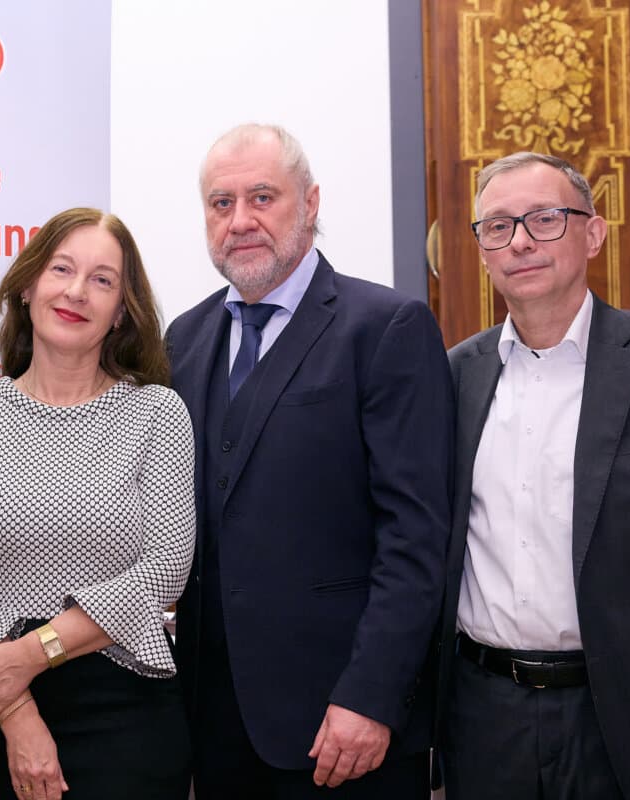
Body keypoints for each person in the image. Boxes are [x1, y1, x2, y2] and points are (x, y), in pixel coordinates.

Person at [435, 151, 630, 800]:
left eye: (545, 219)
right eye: (497, 226)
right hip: (485, 717)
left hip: (629, 716)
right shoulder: (452, 376)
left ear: (594, 232)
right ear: (480, 250)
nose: (520, 241)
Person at [164, 123, 454, 799]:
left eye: (263, 197)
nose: (240, 221)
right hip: (218, 726)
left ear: (312, 203)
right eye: (220, 203)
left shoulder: (386, 327)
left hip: (345, 728)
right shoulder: (186, 337)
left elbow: (416, 537)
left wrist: (373, 696)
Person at [0, 207, 195, 800]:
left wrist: (33, 653)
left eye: (102, 280)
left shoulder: (157, 414)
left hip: (123, 707)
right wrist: (18, 707)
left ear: (122, 310)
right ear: (29, 286)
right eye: (62, 269)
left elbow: (166, 567)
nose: (77, 291)